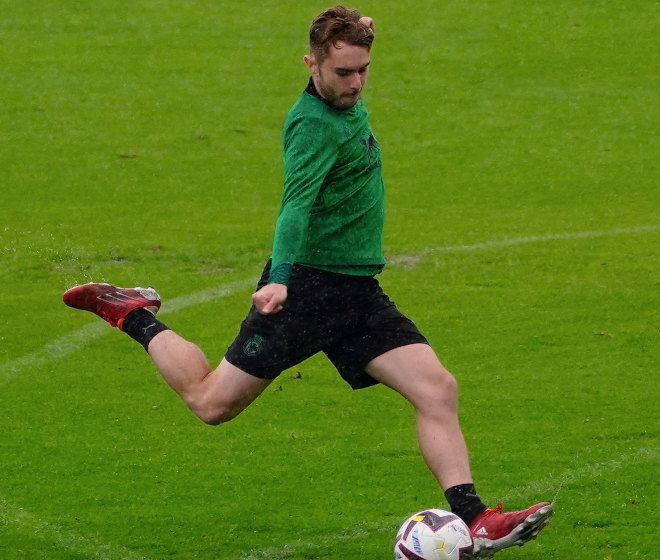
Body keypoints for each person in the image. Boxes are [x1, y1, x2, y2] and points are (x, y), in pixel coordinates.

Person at [62, 5, 552, 557]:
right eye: (343, 73)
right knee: (210, 402)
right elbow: (294, 208)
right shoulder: (312, 125)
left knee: (437, 387)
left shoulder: (346, 101)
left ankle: (477, 518)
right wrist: (282, 279)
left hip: (356, 291)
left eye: (364, 68)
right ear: (311, 63)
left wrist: (357, 23)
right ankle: (130, 312)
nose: (356, 82)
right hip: (306, 292)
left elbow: (352, 53)